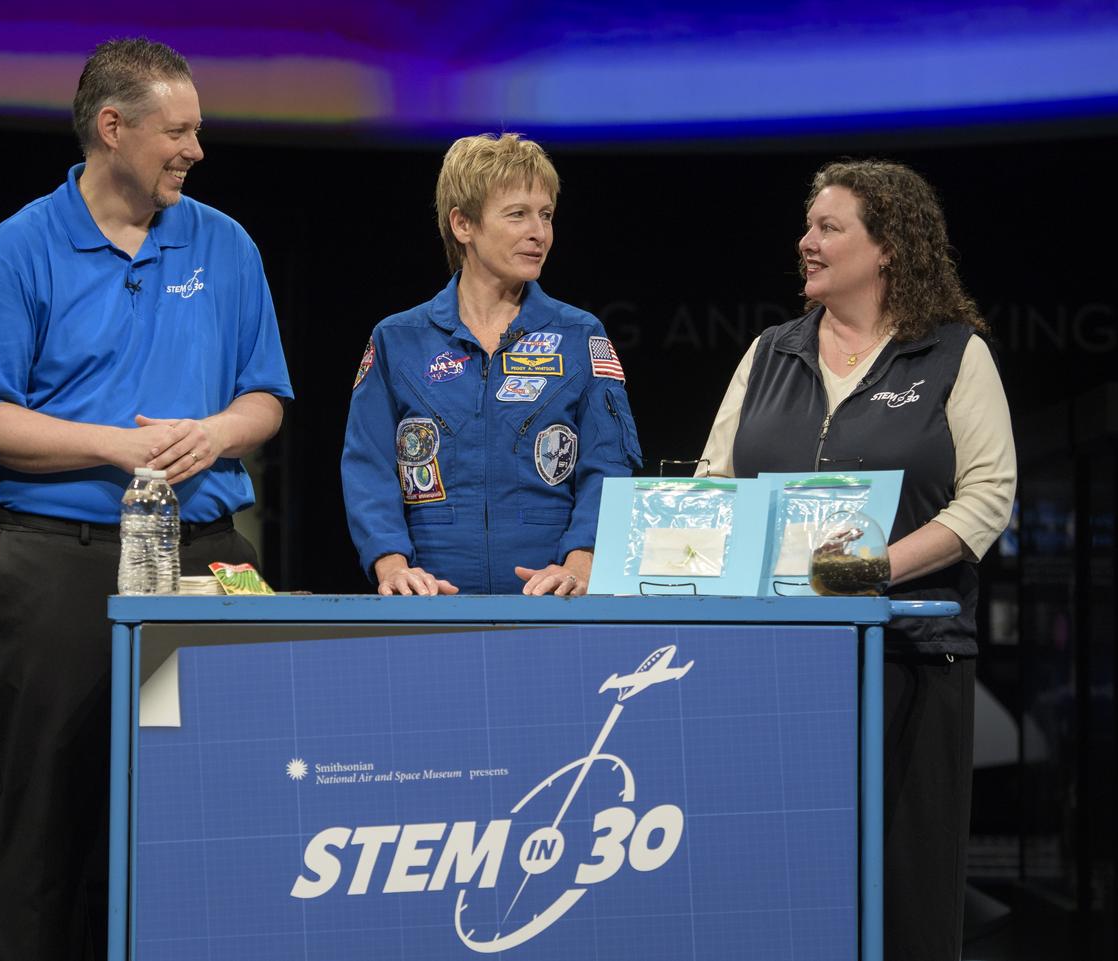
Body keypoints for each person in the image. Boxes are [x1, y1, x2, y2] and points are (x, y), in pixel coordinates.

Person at [0, 39, 292, 960]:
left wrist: (215, 432)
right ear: (113, 128)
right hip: (61, 562)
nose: (196, 150)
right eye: (178, 131)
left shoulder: (226, 243)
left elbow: (266, 398)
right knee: (44, 827)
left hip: (208, 553)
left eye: (199, 131)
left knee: (224, 814)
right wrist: (119, 445)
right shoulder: (16, 249)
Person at [698, 159, 1015, 960]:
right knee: (780, 889)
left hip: (912, 661)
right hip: (773, 665)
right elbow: (713, 485)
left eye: (828, 227)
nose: (804, 242)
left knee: (906, 900)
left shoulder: (953, 355)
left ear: (886, 249)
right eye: (808, 226)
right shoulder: (770, 353)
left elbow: (985, 499)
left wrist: (865, 573)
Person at [342, 133, 641, 596]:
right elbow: (369, 467)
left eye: (545, 215)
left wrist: (582, 562)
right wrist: (391, 566)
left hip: (551, 607)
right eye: (517, 214)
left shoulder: (581, 336)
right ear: (463, 224)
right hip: (430, 604)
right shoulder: (397, 339)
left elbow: (609, 465)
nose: (538, 233)